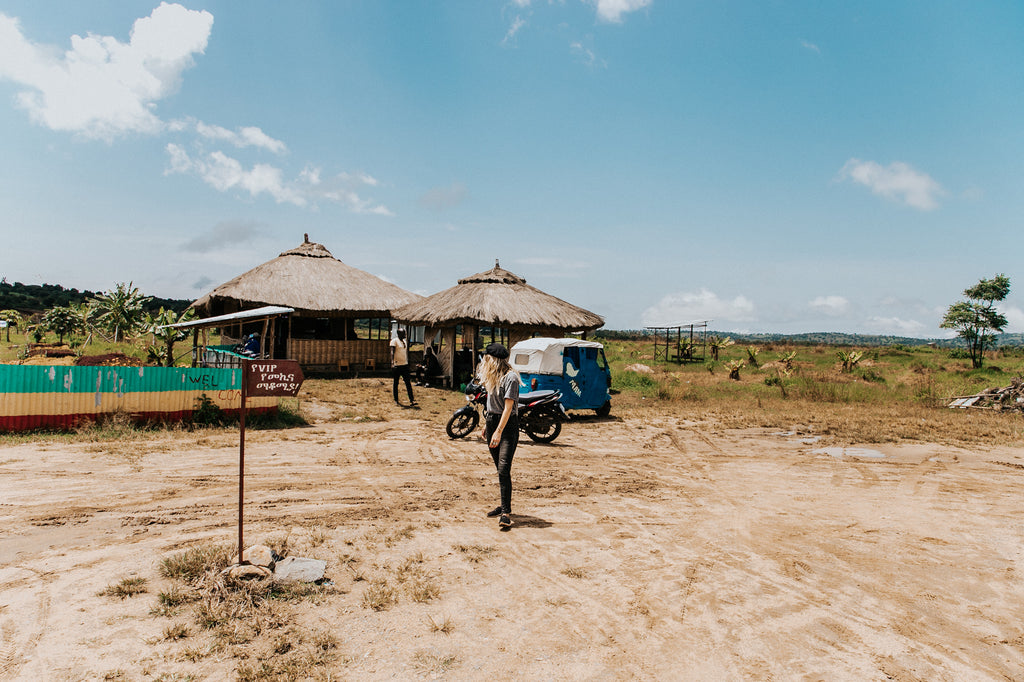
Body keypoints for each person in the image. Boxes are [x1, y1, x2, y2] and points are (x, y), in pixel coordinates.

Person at [478, 342, 520, 530]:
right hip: (493, 422)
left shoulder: (510, 378)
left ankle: (505, 513)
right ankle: (503, 505)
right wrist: (487, 425)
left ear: (493, 360)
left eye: (486, 357)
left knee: (503, 468)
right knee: (500, 468)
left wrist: (498, 431)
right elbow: (490, 403)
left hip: (507, 426)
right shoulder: (492, 376)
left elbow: (508, 407)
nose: (484, 360)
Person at [390, 328, 416, 406]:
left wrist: (408, 362)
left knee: (408, 383)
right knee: (396, 383)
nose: (404, 335)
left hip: (404, 365)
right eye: (403, 333)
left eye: (405, 333)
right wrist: (392, 363)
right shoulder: (394, 341)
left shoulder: (404, 342)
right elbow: (392, 352)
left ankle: (412, 400)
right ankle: (396, 400)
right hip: (397, 365)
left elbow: (405, 353)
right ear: (399, 334)